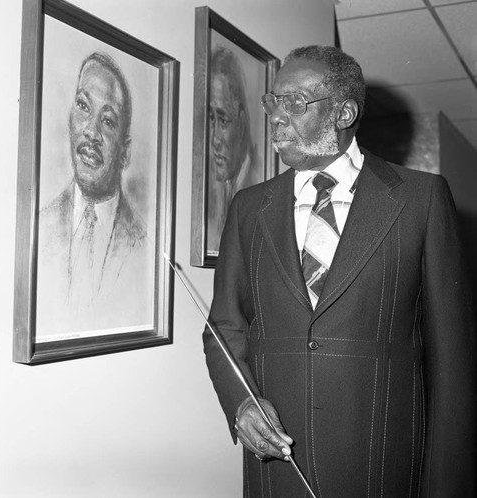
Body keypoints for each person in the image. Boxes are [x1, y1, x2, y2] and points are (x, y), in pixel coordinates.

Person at [203, 45, 476, 497]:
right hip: (278, 473)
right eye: (274, 101)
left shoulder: (421, 199)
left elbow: (453, 364)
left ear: (343, 112)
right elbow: (224, 327)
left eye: (295, 102)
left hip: (381, 468)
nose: (275, 115)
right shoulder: (249, 208)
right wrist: (241, 405)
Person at [36, 52, 153, 339]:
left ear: (124, 152)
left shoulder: (145, 245)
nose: (91, 132)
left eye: (108, 121)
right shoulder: (39, 227)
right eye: (83, 106)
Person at [207, 46, 263, 255]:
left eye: (223, 120)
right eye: (210, 119)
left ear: (240, 122)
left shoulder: (256, 184)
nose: (214, 139)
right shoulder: (215, 190)